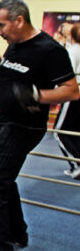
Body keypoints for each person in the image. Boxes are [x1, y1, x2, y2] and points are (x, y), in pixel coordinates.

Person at [0, 0, 79, 251]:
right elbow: (7, 73)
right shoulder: (15, 45)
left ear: (19, 20)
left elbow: (72, 90)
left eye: (1, 25)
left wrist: (38, 95)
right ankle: (16, 234)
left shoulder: (50, 50)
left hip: (23, 127)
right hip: (8, 123)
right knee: (4, 180)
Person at [54, 23, 80, 179]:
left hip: (74, 95)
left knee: (60, 132)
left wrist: (57, 93)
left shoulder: (72, 51)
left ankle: (77, 165)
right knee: (75, 132)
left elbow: (66, 75)